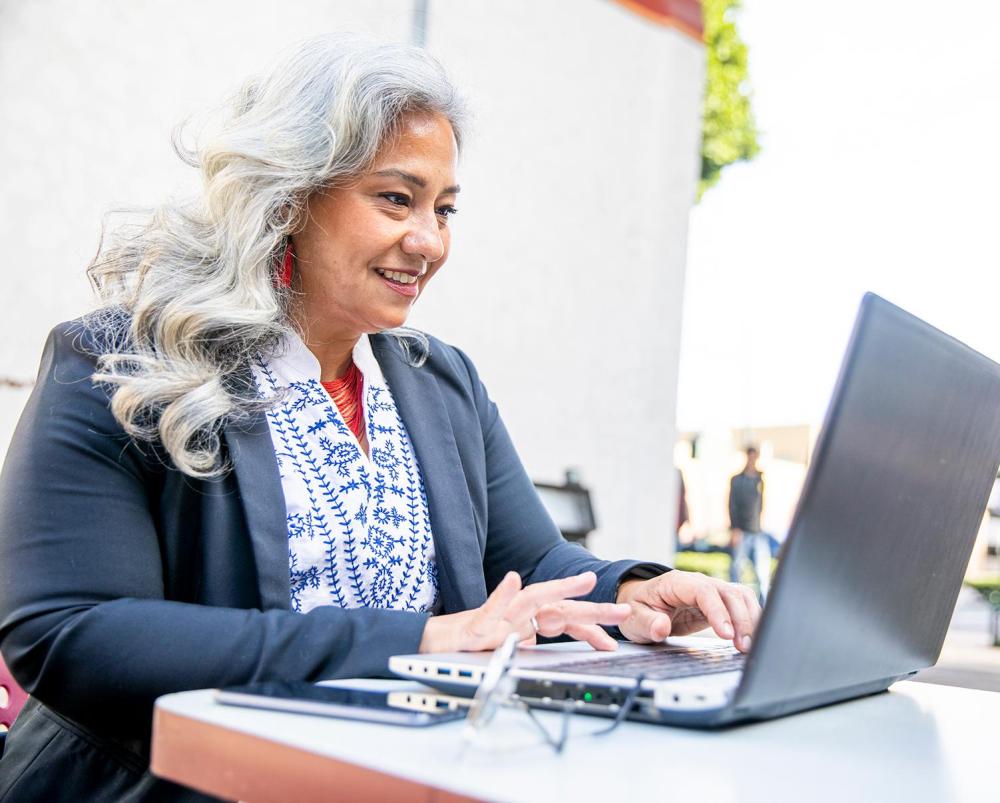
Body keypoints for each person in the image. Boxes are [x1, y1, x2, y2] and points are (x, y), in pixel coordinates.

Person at [0, 35, 760, 801]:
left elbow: (527, 566)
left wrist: (632, 590)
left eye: (445, 209)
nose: (429, 241)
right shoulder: (119, 362)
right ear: (291, 196)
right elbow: (73, 633)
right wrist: (422, 642)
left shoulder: (442, 383)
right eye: (396, 198)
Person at [728, 445, 772, 602]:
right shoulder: (737, 480)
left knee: (762, 573)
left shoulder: (760, 479)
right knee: (736, 571)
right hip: (742, 532)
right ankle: (734, 603)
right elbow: (732, 505)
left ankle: (763, 607)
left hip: (757, 532)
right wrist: (734, 529)